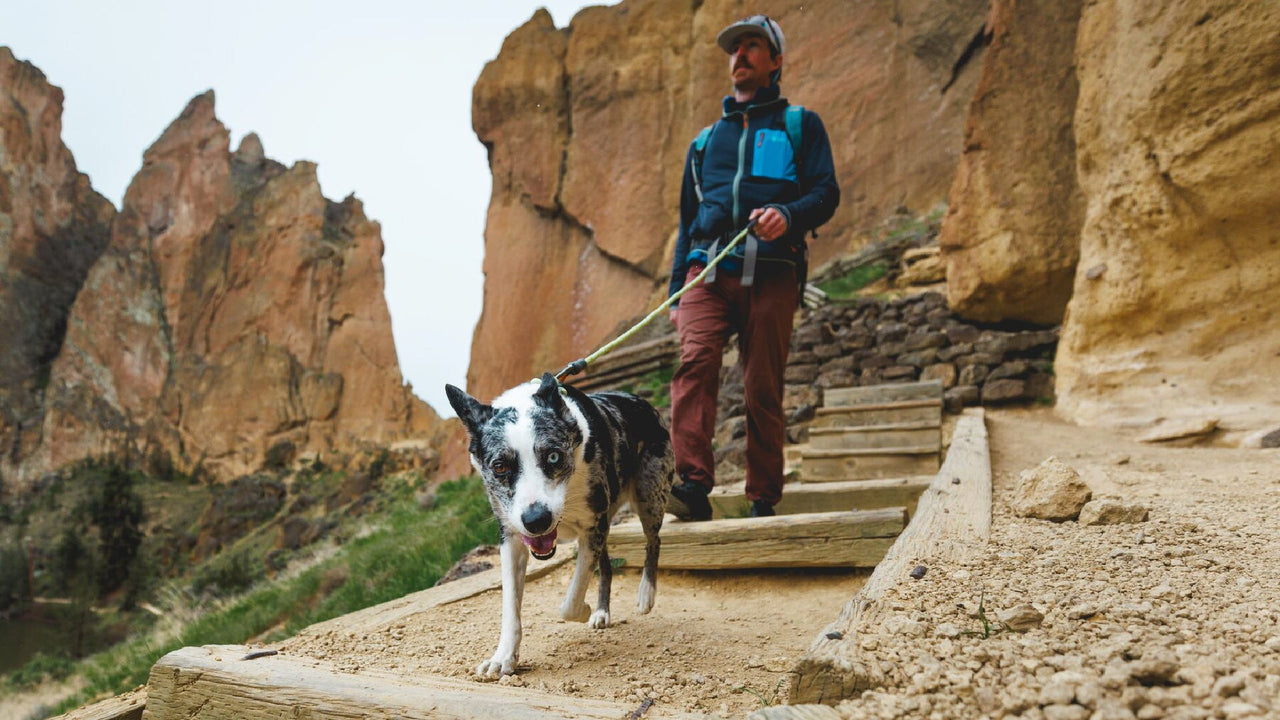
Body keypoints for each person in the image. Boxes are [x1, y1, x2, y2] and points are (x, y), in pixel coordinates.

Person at [666, 15, 840, 521]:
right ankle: (692, 487)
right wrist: (677, 292)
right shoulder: (704, 143)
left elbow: (826, 193)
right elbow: (687, 222)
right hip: (707, 272)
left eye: (752, 46)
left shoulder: (800, 125)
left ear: (775, 61)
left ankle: (762, 497)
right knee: (695, 365)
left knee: (762, 384)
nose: (739, 55)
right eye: (734, 48)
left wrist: (788, 214)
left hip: (774, 271)